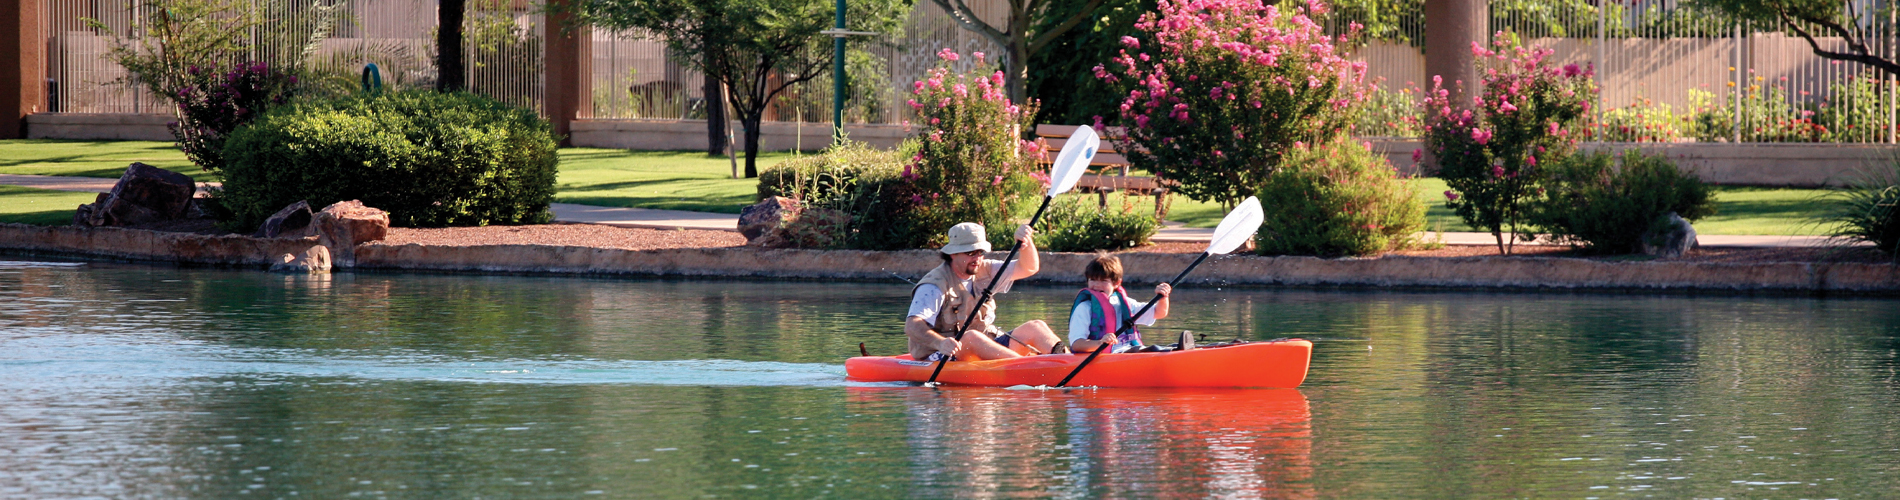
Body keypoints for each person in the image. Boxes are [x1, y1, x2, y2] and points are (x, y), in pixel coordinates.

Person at [907, 222, 1064, 361]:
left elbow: (1028, 268)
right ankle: (1029, 367)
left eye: (980, 252)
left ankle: (1065, 360)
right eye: (970, 253)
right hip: (940, 355)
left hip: (985, 346)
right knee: (971, 338)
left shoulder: (987, 270)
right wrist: (940, 343)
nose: (977, 258)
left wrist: (1026, 245)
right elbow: (912, 325)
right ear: (953, 254)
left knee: (1035, 326)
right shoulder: (933, 286)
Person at [1067, 252, 1172, 353]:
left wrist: (1163, 297)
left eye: (1104, 281)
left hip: (1129, 350)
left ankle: (1177, 349)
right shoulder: (1084, 308)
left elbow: (1158, 313)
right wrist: (1100, 343)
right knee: (1155, 350)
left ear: (1117, 283)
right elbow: (1077, 344)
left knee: (1165, 348)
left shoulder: (1125, 304)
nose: (1097, 285)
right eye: (1093, 280)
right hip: (1107, 356)